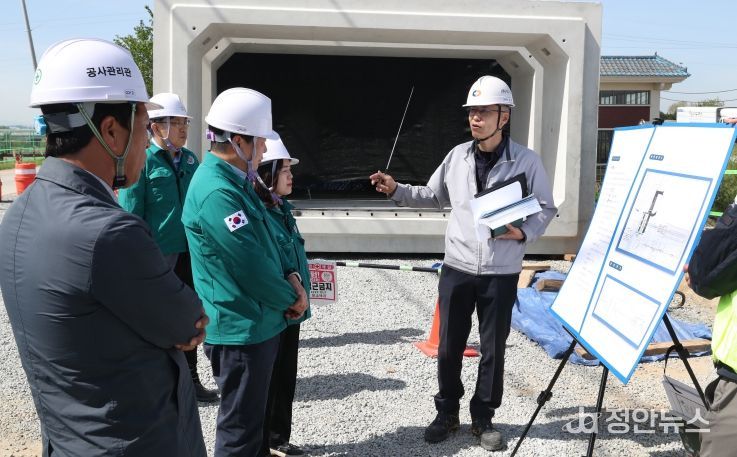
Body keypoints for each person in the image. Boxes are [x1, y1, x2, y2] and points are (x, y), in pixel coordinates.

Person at [0, 38, 208, 456]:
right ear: (111, 130)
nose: (146, 143)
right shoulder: (109, 233)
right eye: (144, 127)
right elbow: (190, 324)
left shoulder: (20, 213)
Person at [370, 75, 557, 451]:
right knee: (449, 345)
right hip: (457, 267)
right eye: (472, 111)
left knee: (493, 349)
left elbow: (546, 207)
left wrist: (523, 233)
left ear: (504, 116)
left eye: (484, 111)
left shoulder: (527, 161)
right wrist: (397, 190)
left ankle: (483, 416)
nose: (475, 118)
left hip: (501, 272)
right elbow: (432, 195)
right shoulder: (456, 156)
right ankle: (447, 412)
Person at [183, 88, 309, 457]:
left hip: (257, 322)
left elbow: (267, 241)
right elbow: (248, 263)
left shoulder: (235, 181)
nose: (264, 149)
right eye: (259, 141)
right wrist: (292, 297)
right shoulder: (217, 191)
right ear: (238, 141)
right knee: (240, 436)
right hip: (241, 329)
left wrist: (292, 276)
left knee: (254, 432)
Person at [118, 92, 218, 402]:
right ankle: (157, 382)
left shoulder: (190, 160)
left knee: (189, 313)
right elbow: (131, 212)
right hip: (159, 255)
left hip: (191, 251)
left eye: (184, 122)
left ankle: (191, 380)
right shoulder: (143, 161)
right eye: (176, 123)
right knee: (157, 316)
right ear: (156, 127)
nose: (183, 129)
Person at [255, 134, 311, 457]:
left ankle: (279, 438)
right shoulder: (261, 213)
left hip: (293, 310)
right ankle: (263, 442)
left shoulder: (283, 208)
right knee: (269, 378)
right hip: (278, 309)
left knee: (286, 376)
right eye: (285, 170)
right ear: (268, 174)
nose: (291, 176)